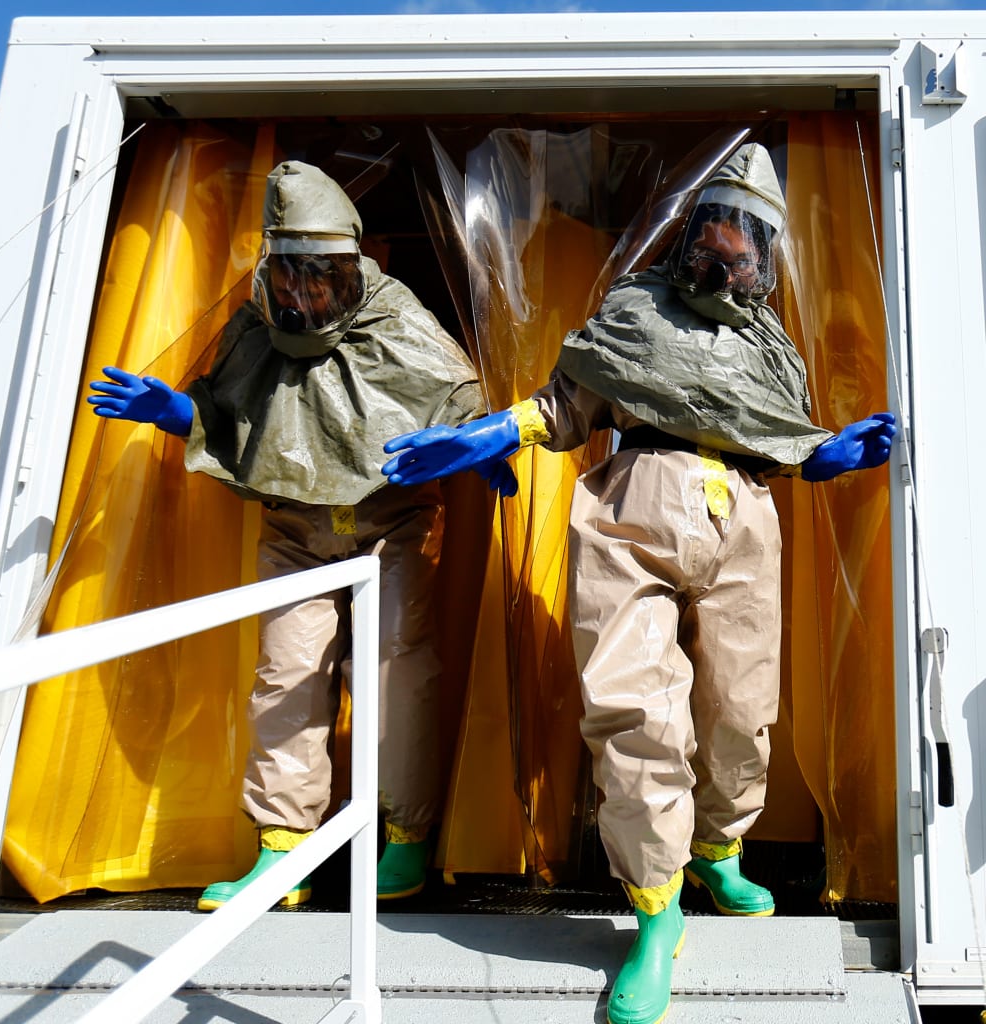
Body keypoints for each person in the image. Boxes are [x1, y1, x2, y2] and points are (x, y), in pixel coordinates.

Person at [381, 143, 896, 1024]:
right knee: (633, 707)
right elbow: (564, 405)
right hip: (634, 508)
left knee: (743, 702)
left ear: (766, 253)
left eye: (745, 240)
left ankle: (718, 847)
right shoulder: (633, 310)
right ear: (692, 231)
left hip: (743, 516)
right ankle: (656, 913)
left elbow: (781, 433)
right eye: (715, 230)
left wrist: (824, 453)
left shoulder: (769, 344)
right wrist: (493, 433)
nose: (726, 250)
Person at [88, 159, 485, 910]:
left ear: (351, 269)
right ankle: (283, 851)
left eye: (321, 278)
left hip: (390, 525)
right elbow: (233, 411)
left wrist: (482, 448)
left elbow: (453, 392)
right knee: (285, 679)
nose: (303, 296)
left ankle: (406, 840)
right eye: (289, 278)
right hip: (296, 530)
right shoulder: (257, 323)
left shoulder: (394, 317)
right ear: (270, 272)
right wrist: (176, 411)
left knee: (398, 674)